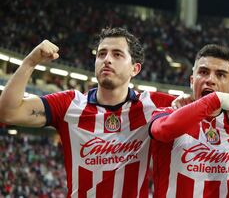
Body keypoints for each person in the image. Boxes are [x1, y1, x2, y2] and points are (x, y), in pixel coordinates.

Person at [0, 27, 175, 198]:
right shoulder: (69, 105)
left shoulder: (154, 105)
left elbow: (199, 105)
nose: (107, 59)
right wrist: (30, 62)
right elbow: (8, 113)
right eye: (101, 54)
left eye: (117, 54)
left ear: (135, 69)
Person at [149, 44, 229, 198]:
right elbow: (162, 131)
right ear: (192, 80)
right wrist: (215, 98)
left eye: (221, 75)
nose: (210, 80)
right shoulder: (167, 113)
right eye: (203, 72)